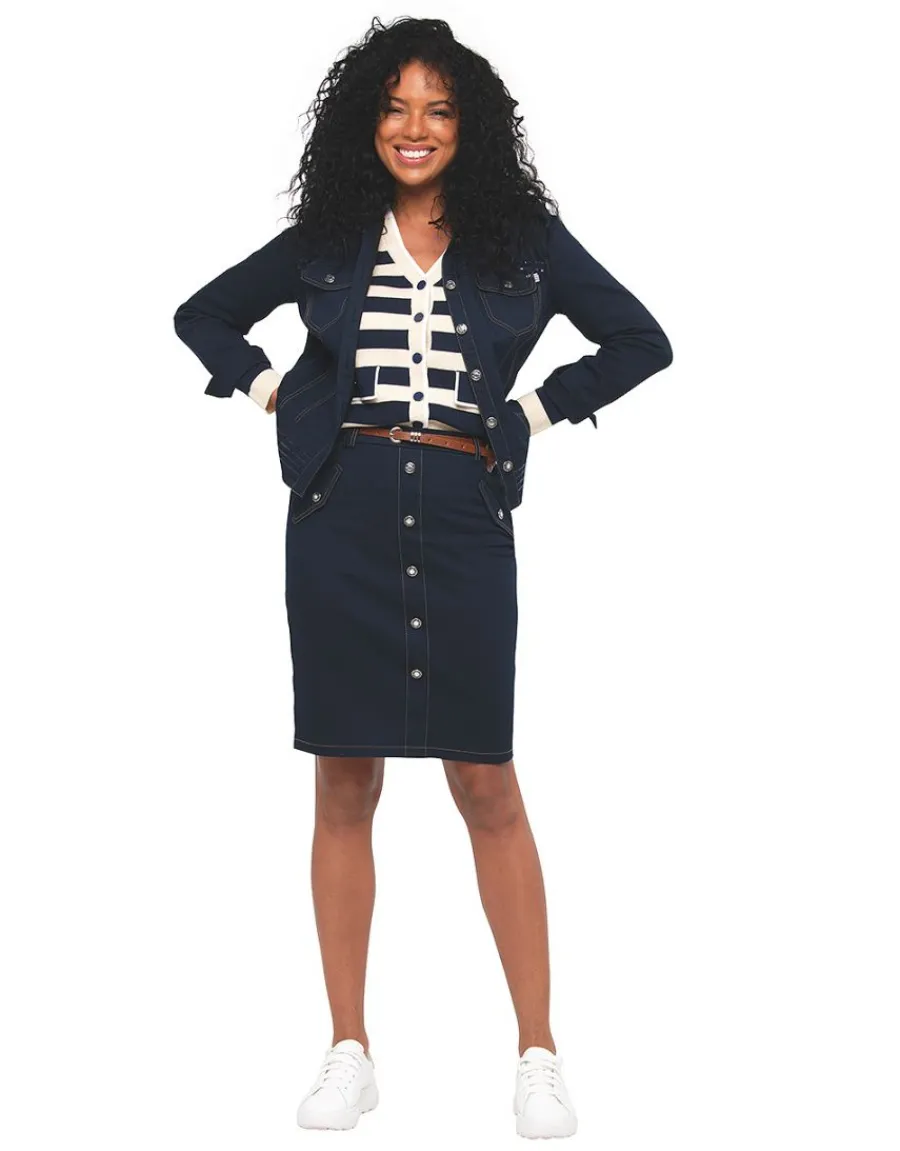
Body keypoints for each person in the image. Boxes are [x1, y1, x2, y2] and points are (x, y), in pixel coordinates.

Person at [173, 15, 672, 1139]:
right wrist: (275, 392)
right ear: (368, 121)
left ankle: (538, 1052)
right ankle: (349, 1047)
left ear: (469, 126)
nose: (415, 128)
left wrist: (533, 411)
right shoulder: (329, 236)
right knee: (343, 779)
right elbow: (202, 315)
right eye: (396, 107)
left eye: (439, 109)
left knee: (487, 782)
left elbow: (641, 340)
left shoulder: (521, 239)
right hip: (339, 514)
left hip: (461, 512)